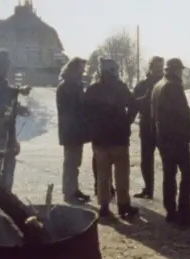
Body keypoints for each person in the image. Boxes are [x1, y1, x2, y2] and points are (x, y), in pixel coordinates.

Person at [151, 58, 190, 226]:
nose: (181, 72)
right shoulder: (173, 86)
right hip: (176, 138)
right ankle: (184, 211)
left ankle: (171, 210)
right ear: (175, 70)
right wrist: (187, 133)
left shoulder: (158, 85)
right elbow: (182, 113)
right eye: (180, 69)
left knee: (169, 174)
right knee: (188, 173)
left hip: (163, 137)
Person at [85, 58, 139, 219]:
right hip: (119, 137)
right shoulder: (120, 87)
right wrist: (126, 121)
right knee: (121, 174)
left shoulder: (93, 89)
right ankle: (123, 205)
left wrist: (92, 127)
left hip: (100, 139)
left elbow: (83, 112)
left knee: (103, 175)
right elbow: (134, 105)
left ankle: (104, 206)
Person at [0, 48, 30, 212]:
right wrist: (16, 94)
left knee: (8, 165)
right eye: (5, 64)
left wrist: (19, 96)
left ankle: (5, 200)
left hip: (7, 132)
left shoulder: (0, 81)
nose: (8, 68)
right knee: (0, 168)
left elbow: (7, 94)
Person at [56, 57, 91, 204]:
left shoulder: (74, 85)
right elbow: (73, 108)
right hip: (71, 130)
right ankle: (69, 192)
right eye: (81, 69)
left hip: (75, 130)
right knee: (70, 162)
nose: (83, 72)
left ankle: (73, 189)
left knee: (75, 162)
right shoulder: (67, 87)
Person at [132, 56, 165, 199]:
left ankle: (168, 193)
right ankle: (148, 189)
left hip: (163, 127)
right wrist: (128, 121)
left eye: (161, 67)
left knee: (167, 160)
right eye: (156, 67)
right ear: (150, 68)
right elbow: (133, 104)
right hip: (146, 126)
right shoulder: (142, 85)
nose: (159, 70)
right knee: (146, 160)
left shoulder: (167, 84)